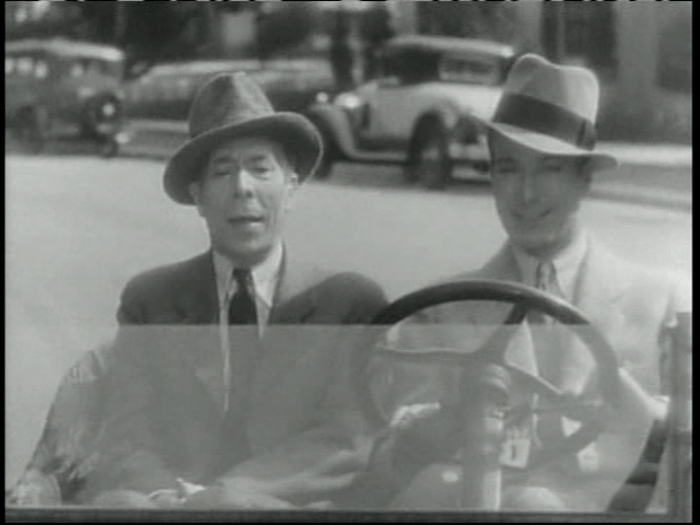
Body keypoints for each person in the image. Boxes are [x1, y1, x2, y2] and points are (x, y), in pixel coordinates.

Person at [7, 72, 388, 509]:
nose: (242, 187)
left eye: (261, 168)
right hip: (167, 505)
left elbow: (346, 438)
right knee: (120, 506)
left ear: (291, 187)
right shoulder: (151, 301)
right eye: (222, 171)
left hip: (287, 508)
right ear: (199, 197)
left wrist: (223, 498)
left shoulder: (348, 303)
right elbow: (127, 431)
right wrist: (166, 496)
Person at [366, 54, 691, 511]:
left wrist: (642, 411)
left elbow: (683, 458)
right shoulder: (442, 310)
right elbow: (386, 459)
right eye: (508, 168)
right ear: (492, 178)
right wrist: (429, 431)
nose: (526, 193)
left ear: (585, 180)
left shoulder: (664, 301)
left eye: (549, 169)